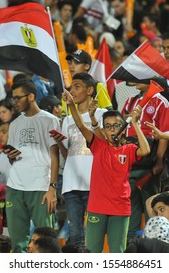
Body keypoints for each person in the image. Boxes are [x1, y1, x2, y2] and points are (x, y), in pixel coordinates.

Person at [62, 89, 150, 253]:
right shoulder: (98, 145)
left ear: (123, 129)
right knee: (92, 252)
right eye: (108, 126)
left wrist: (136, 124)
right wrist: (72, 106)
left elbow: (145, 151)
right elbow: (81, 125)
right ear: (103, 130)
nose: (112, 130)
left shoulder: (129, 149)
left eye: (116, 126)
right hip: (97, 208)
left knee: (117, 252)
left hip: (120, 208)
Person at [4, 80, 60, 253]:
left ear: (31, 96)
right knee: (17, 242)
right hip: (15, 186)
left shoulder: (50, 120)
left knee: (45, 242)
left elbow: (54, 155)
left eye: (18, 98)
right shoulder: (14, 124)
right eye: (13, 99)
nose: (15, 102)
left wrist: (52, 187)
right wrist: (10, 157)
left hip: (40, 187)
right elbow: (13, 159)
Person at [52, 73, 106, 246]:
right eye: (71, 87)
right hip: (71, 183)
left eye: (77, 87)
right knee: (75, 236)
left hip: (95, 183)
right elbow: (68, 155)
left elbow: (105, 147)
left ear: (90, 90)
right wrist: (60, 143)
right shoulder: (67, 120)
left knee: (94, 235)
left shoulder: (103, 114)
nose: (72, 91)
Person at [121, 80, 169, 238]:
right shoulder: (130, 101)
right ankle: (131, 245)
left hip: (149, 166)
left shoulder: (161, 102)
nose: (135, 81)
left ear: (152, 80)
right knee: (131, 209)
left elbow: (165, 135)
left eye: (140, 77)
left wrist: (159, 161)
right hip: (130, 164)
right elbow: (123, 128)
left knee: (153, 206)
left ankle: (155, 242)